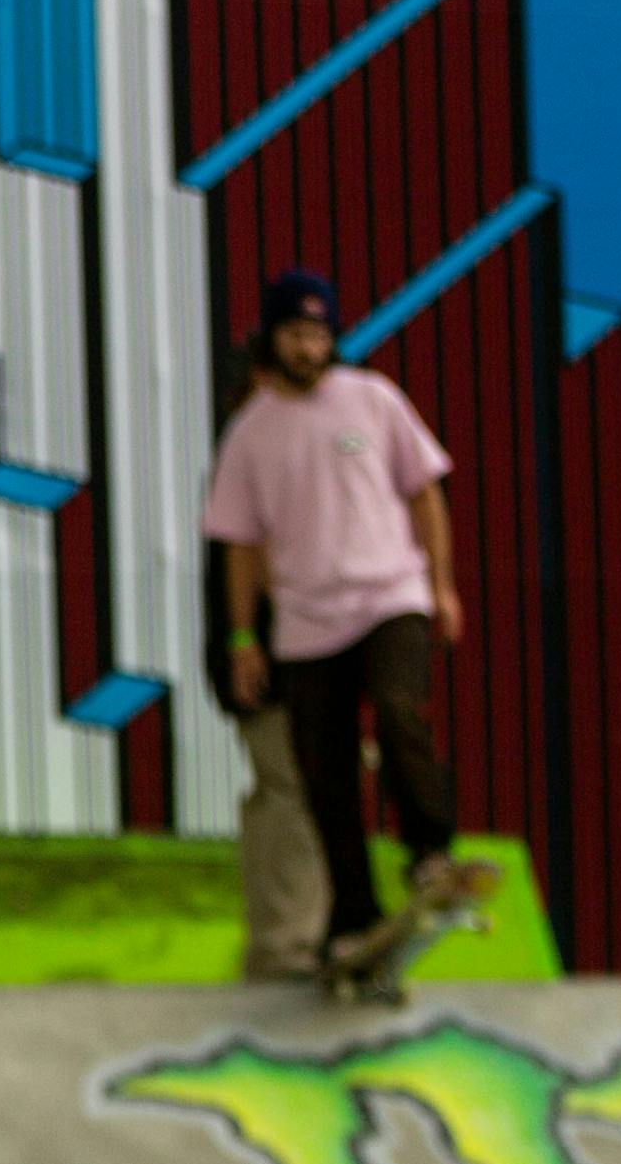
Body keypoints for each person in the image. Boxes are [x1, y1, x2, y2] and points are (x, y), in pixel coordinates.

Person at [201, 271, 483, 973]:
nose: (308, 347)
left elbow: (425, 492)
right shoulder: (249, 435)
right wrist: (242, 638)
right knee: (323, 777)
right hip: (302, 626)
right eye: (295, 335)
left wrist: (442, 586)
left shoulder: (373, 399)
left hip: (390, 596)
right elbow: (239, 549)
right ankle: (351, 913)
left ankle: (429, 851)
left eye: (319, 334)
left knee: (396, 711)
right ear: (271, 342)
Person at [202, 339, 328, 982]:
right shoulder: (248, 458)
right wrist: (243, 647)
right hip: (269, 657)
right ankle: (284, 945)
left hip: (295, 654)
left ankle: (297, 933)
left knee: (292, 790)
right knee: (293, 786)